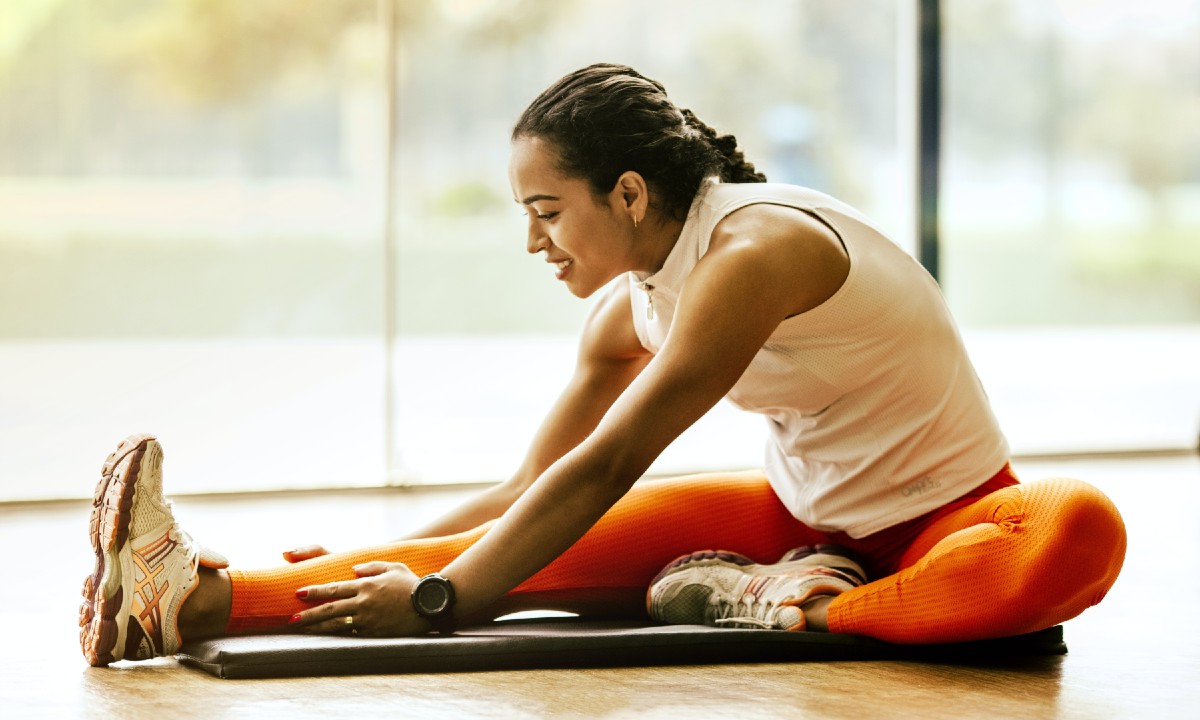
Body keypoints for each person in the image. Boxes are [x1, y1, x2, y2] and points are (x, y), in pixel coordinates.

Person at [79, 63, 1126, 667]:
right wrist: (381, 557)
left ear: (628, 193)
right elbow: (530, 493)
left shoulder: (757, 254)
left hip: (955, 521)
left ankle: (792, 605)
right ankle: (175, 600)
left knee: (1081, 528)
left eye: (547, 212)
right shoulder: (630, 308)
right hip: (801, 523)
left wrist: (447, 601)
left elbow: (615, 458)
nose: (535, 242)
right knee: (504, 545)